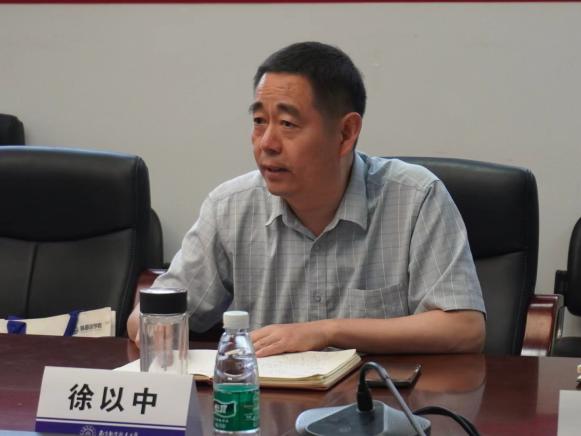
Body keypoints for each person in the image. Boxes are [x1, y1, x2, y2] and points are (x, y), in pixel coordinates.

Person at [128, 41, 486, 357]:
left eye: (287, 124)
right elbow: (150, 314)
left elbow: (464, 328)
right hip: (268, 402)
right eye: (259, 121)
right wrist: (152, 324)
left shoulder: (415, 198)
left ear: (345, 133)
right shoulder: (230, 207)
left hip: (378, 401)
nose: (266, 143)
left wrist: (326, 332)